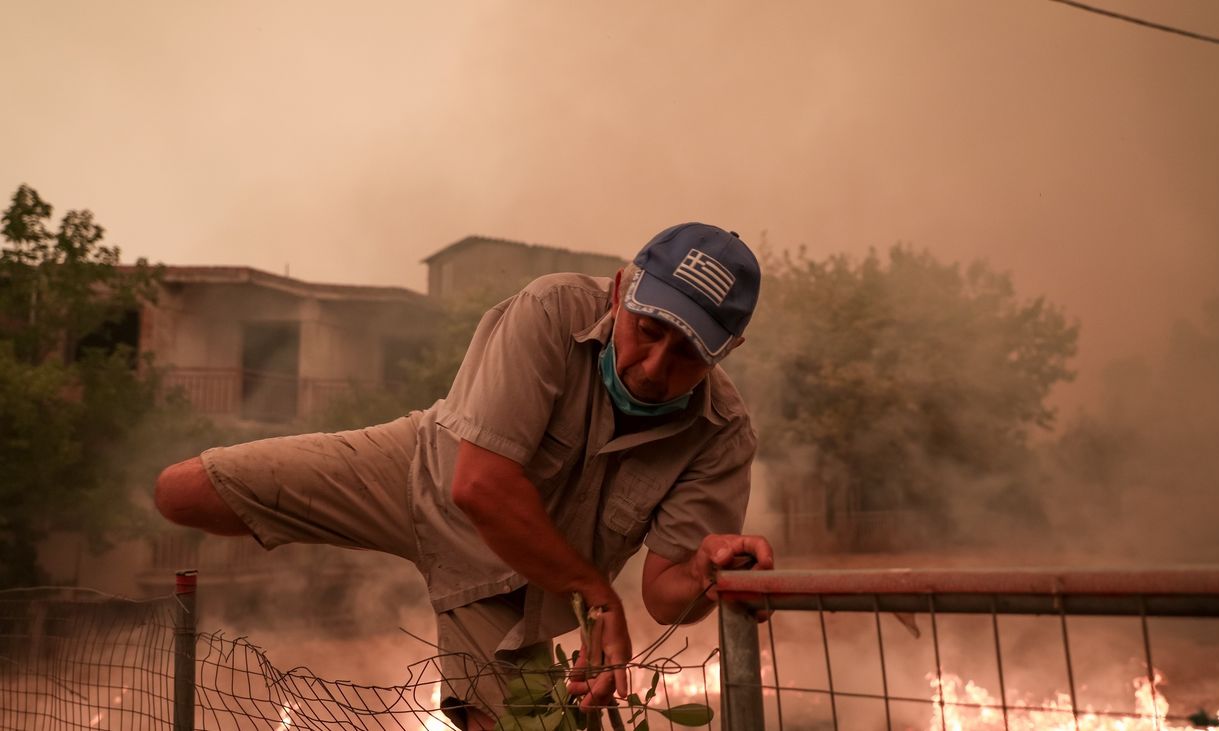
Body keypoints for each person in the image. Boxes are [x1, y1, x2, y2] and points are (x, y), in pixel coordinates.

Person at [154, 222, 774, 730]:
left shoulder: (721, 434)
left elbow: (665, 596)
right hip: (423, 469)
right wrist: (596, 592)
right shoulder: (551, 310)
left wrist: (704, 573)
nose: (655, 366)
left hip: (523, 580)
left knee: (520, 724)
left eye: (687, 353)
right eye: (649, 331)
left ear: (725, 352)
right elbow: (478, 485)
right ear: (620, 293)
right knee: (181, 493)